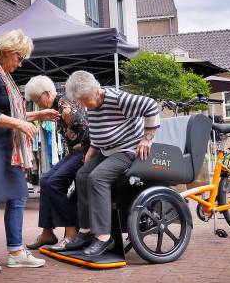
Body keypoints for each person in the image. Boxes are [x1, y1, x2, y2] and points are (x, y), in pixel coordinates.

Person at [0, 29, 59, 273]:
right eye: (19, 58)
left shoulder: (5, 78)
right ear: (7, 52)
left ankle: (16, 252)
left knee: (18, 196)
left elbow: (12, 114)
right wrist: (19, 123)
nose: (20, 64)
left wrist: (37, 115)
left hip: (6, 148)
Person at [64, 70, 160, 257]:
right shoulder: (89, 103)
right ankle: (85, 231)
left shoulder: (118, 99)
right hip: (107, 150)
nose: (83, 105)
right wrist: (92, 149)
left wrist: (147, 138)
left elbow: (151, 105)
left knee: (97, 178)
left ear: (96, 91)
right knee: (82, 175)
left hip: (128, 150)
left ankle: (104, 237)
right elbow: (100, 129)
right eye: (79, 101)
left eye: (84, 100)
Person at [23, 75, 89, 251]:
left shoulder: (63, 105)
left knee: (53, 183)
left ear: (46, 94)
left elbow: (85, 128)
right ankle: (47, 233)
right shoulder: (57, 107)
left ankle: (71, 233)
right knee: (45, 181)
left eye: (37, 100)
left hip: (84, 152)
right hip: (74, 153)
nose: (37, 105)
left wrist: (82, 149)